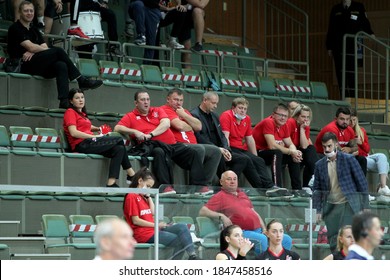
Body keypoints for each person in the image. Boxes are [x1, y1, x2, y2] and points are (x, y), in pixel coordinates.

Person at [114, 90, 213, 195]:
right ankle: (165, 187)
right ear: (136, 103)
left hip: (171, 145)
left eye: (148, 99)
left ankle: (199, 187)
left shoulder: (157, 110)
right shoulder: (130, 116)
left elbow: (166, 124)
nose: (146, 102)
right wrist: (134, 131)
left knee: (193, 153)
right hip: (153, 146)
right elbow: (117, 128)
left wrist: (151, 134)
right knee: (159, 152)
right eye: (142, 100)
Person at [7, 1, 103, 109]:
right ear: (20, 12)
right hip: (22, 65)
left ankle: (64, 101)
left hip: (36, 63)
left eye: (31, 11)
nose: (29, 13)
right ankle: (81, 80)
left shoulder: (34, 29)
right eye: (26, 11)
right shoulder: (15, 28)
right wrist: (33, 49)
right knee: (58, 51)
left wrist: (33, 49)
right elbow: (32, 47)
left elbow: (44, 47)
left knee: (61, 65)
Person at [191, 92, 276, 190]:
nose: (216, 106)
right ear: (205, 100)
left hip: (222, 148)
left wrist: (225, 148)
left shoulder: (214, 115)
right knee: (243, 159)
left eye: (216, 103)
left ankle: (262, 188)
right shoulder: (194, 114)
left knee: (248, 159)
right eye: (213, 103)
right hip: (210, 149)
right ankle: (224, 187)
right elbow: (199, 137)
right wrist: (218, 149)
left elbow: (222, 136)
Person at [199, 170, 293, 255]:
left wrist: (264, 229)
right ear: (221, 182)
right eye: (229, 179)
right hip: (241, 232)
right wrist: (221, 216)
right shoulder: (220, 196)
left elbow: (254, 213)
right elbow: (203, 211)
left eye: (234, 179)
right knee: (262, 240)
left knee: (287, 239)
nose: (232, 181)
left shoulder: (242, 194)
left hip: (258, 231)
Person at [63, 88, 135, 188]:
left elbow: (85, 126)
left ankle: (111, 182)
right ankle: (131, 174)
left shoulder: (82, 114)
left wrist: (97, 128)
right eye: (77, 98)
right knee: (118, 139)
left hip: (89, 142)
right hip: (81, 144)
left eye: (82, 97)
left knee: (119, 148)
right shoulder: (70, 112)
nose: (81, 100)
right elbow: (73, 132)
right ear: (71, 101)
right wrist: (93, 136)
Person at [123, 167, 200, 260]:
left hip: (154, 230)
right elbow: (136, 220)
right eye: (148, 186)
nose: (149, 189)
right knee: (180, 241)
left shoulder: (144, 197)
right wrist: (156, 225)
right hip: (143, 234)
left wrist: (149, 197)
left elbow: (154, 213)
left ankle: (192, 255)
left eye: (150, 187)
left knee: (182, 227)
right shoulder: (131, 196)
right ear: (140, 181)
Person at [220, 98, 288, 197]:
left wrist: (255, 157)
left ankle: (270, 187)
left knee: (258, 160)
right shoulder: (226, 115)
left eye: (245, 108)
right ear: (233, 108)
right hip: (230, 148)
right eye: (240, 108)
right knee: (246, 159)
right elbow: (225, 136)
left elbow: (250, 139)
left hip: (241, 148)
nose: (243, 111)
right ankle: (262, 189)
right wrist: (227, 151)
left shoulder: (246, 118)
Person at [313, 132, 369, 252]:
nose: (327, 149)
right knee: (333, 240)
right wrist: (317, 210)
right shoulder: (319, 165)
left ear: (336, 144)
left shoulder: (349, 160)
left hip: (348, 204)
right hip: (330, 207)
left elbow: (362, 183)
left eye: (329, 146)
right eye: (324, 147)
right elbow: (317, 189)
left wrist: (365, 206)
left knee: (349, 238)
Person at [161, 88, 221, 187]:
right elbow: (179, 126)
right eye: (175, 100)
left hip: (192, 144)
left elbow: (198, 126)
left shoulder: (183, 111)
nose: (178, 103)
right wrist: (190, 126)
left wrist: (184, 114)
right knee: (199, 149)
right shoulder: (164, 110)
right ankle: (194, 186)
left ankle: (205, 185)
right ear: (168, 99)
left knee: (215, 151)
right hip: (178, 145)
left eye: (181, 100)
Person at [252, 103, 307, 197]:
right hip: (257, 153)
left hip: (270, 153)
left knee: (293, 156)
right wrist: (291, 151)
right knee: (277, 153)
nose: (283, 118)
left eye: (285, 116)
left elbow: (290, 143)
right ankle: (277, 187)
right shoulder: (268, 122)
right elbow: (272, 146)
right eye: (280, 115)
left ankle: (297, 189)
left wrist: (295, 152)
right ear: (273, 115)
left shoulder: (284, 125)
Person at [326, 0, 374, 98]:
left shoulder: (358, 7)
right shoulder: (336, 9)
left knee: (351, 73)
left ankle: (352, 97)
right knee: (340, 74)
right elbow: (331, 28)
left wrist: (370, 33)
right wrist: (329, 46)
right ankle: (343, 97)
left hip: (351, 46)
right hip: (338, 46)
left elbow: (365, 21)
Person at [349, 108, 390, 202]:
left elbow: (367, 149)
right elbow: (354, 152)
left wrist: (360, 143)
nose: (352, 122)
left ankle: (383, 186)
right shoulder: (348, 131)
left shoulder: (361, 130)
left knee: (382, 156)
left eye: (354, 120)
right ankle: (380, 187)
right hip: (359, 159)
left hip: (366, 157)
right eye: (350, 120)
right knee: (385, 165)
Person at [314, 107, 367, 176]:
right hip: (324, 155)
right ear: (336, 119)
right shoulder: (331, 129)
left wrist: (349, 149)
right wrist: (350, 153)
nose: (345, 122)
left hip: (341, 156)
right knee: (342, 159)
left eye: (347, 119)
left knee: (362, 159)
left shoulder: (349, 130)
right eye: (342, 119)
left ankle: (361, 185)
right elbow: (336, 150)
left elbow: (355, 147)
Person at [286, 104, 319, 192]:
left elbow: (304, 146)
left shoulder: (305, 125)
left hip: (298, 149)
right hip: (288, 150)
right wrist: (294, 152)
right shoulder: (290, 122)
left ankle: (307, 185)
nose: (306, 119)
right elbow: (286, 142)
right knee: (297, 157)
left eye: (308, 117)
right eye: (303, 116)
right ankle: (297, 189)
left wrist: (302, 129)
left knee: (310, 149)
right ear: (297, 116)